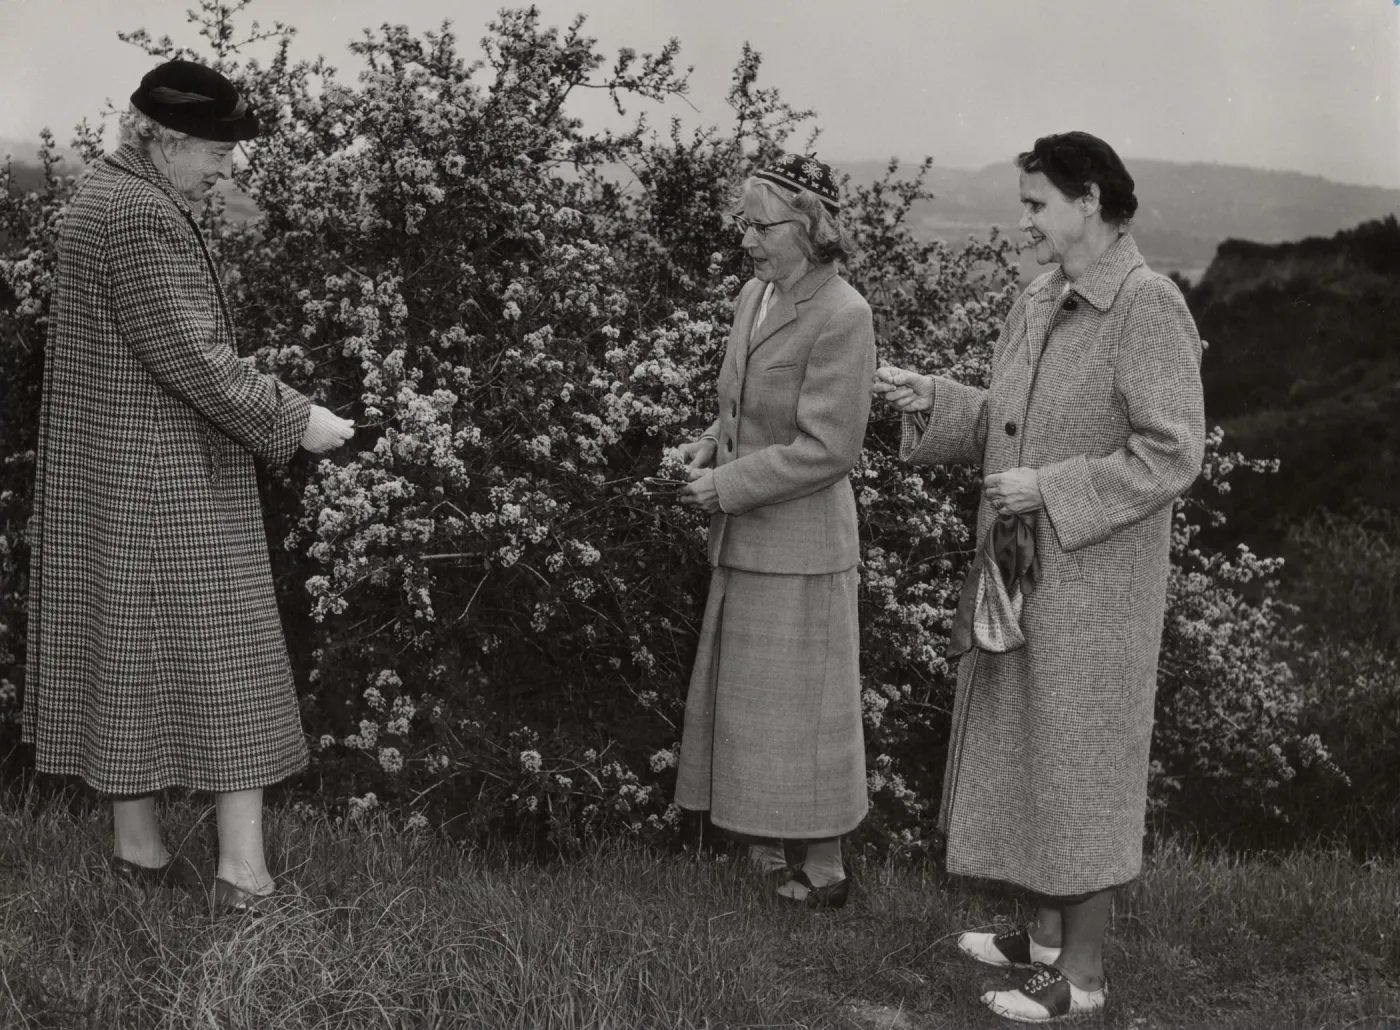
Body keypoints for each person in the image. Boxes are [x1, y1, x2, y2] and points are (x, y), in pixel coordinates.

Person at [873, 131, 1205, 1021]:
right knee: (1034, 745)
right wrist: (937, 404)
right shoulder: (1041, 295)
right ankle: (1047, 937)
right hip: (1023, 572)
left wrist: (1049, 490)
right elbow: (1014, 425)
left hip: (1096, 585)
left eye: (1036, 204)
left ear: (1088, 198)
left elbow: (1173, 454)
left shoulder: (1147, 305)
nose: (1024, 219)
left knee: (1081, 763)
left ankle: (1084, 978)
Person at [22, 60, 354, 914]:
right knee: (230, 658)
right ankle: (244, 877)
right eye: (216, 149)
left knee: (124, 650)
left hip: (114, 472)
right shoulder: (137, 213)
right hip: (165, 477)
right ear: (166, 139)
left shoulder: (106, 191)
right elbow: (188, 357)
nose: (228, 167)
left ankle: (139, 854)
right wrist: (296, 417)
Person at [670, 153, 876, 908]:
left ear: (812, 227)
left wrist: (724, 486)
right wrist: (707, 443)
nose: (747, 240)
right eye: (744, 224)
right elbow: (744, 405)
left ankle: (825, 872)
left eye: (761, 225)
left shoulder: (844, 314)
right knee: (755, 706)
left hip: (803, 547)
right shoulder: (753, 296)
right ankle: (761, 846)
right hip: (749, 538)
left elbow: (829, 448)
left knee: (810, 713)